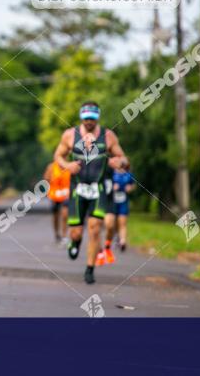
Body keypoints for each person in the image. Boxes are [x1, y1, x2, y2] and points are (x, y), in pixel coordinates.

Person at [53, 101, 127, 284]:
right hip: (77, 189)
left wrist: (120, 162)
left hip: (98, 189)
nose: (89, 122)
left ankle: (89, 268)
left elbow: (124, 158)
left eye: (92, 119)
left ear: (97, 118)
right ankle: (75, 242)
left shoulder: (108, 136)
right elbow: (58, 156)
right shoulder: (70, 135)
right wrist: (67, 166)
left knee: (94, 229)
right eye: (86, 118)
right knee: (76, 232)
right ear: (81, 117)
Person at [103, 161, 134, 254]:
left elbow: (132, 185)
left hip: (123, 202)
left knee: (122, 222)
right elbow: (105, 185)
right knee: (112, 224)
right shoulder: (111, 174)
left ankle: (122, 241)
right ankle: (111, 240)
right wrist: (113, 187)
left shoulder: (128, 175)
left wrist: (130, 188)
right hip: (112, 202)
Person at [44, 161, 71, 244]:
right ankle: (56, 233)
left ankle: (64, 235)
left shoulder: (69, 165)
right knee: (55, 216)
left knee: (65, 214)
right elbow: (46, 178)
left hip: (66, 194)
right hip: (54, 195)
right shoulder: (52, 166)